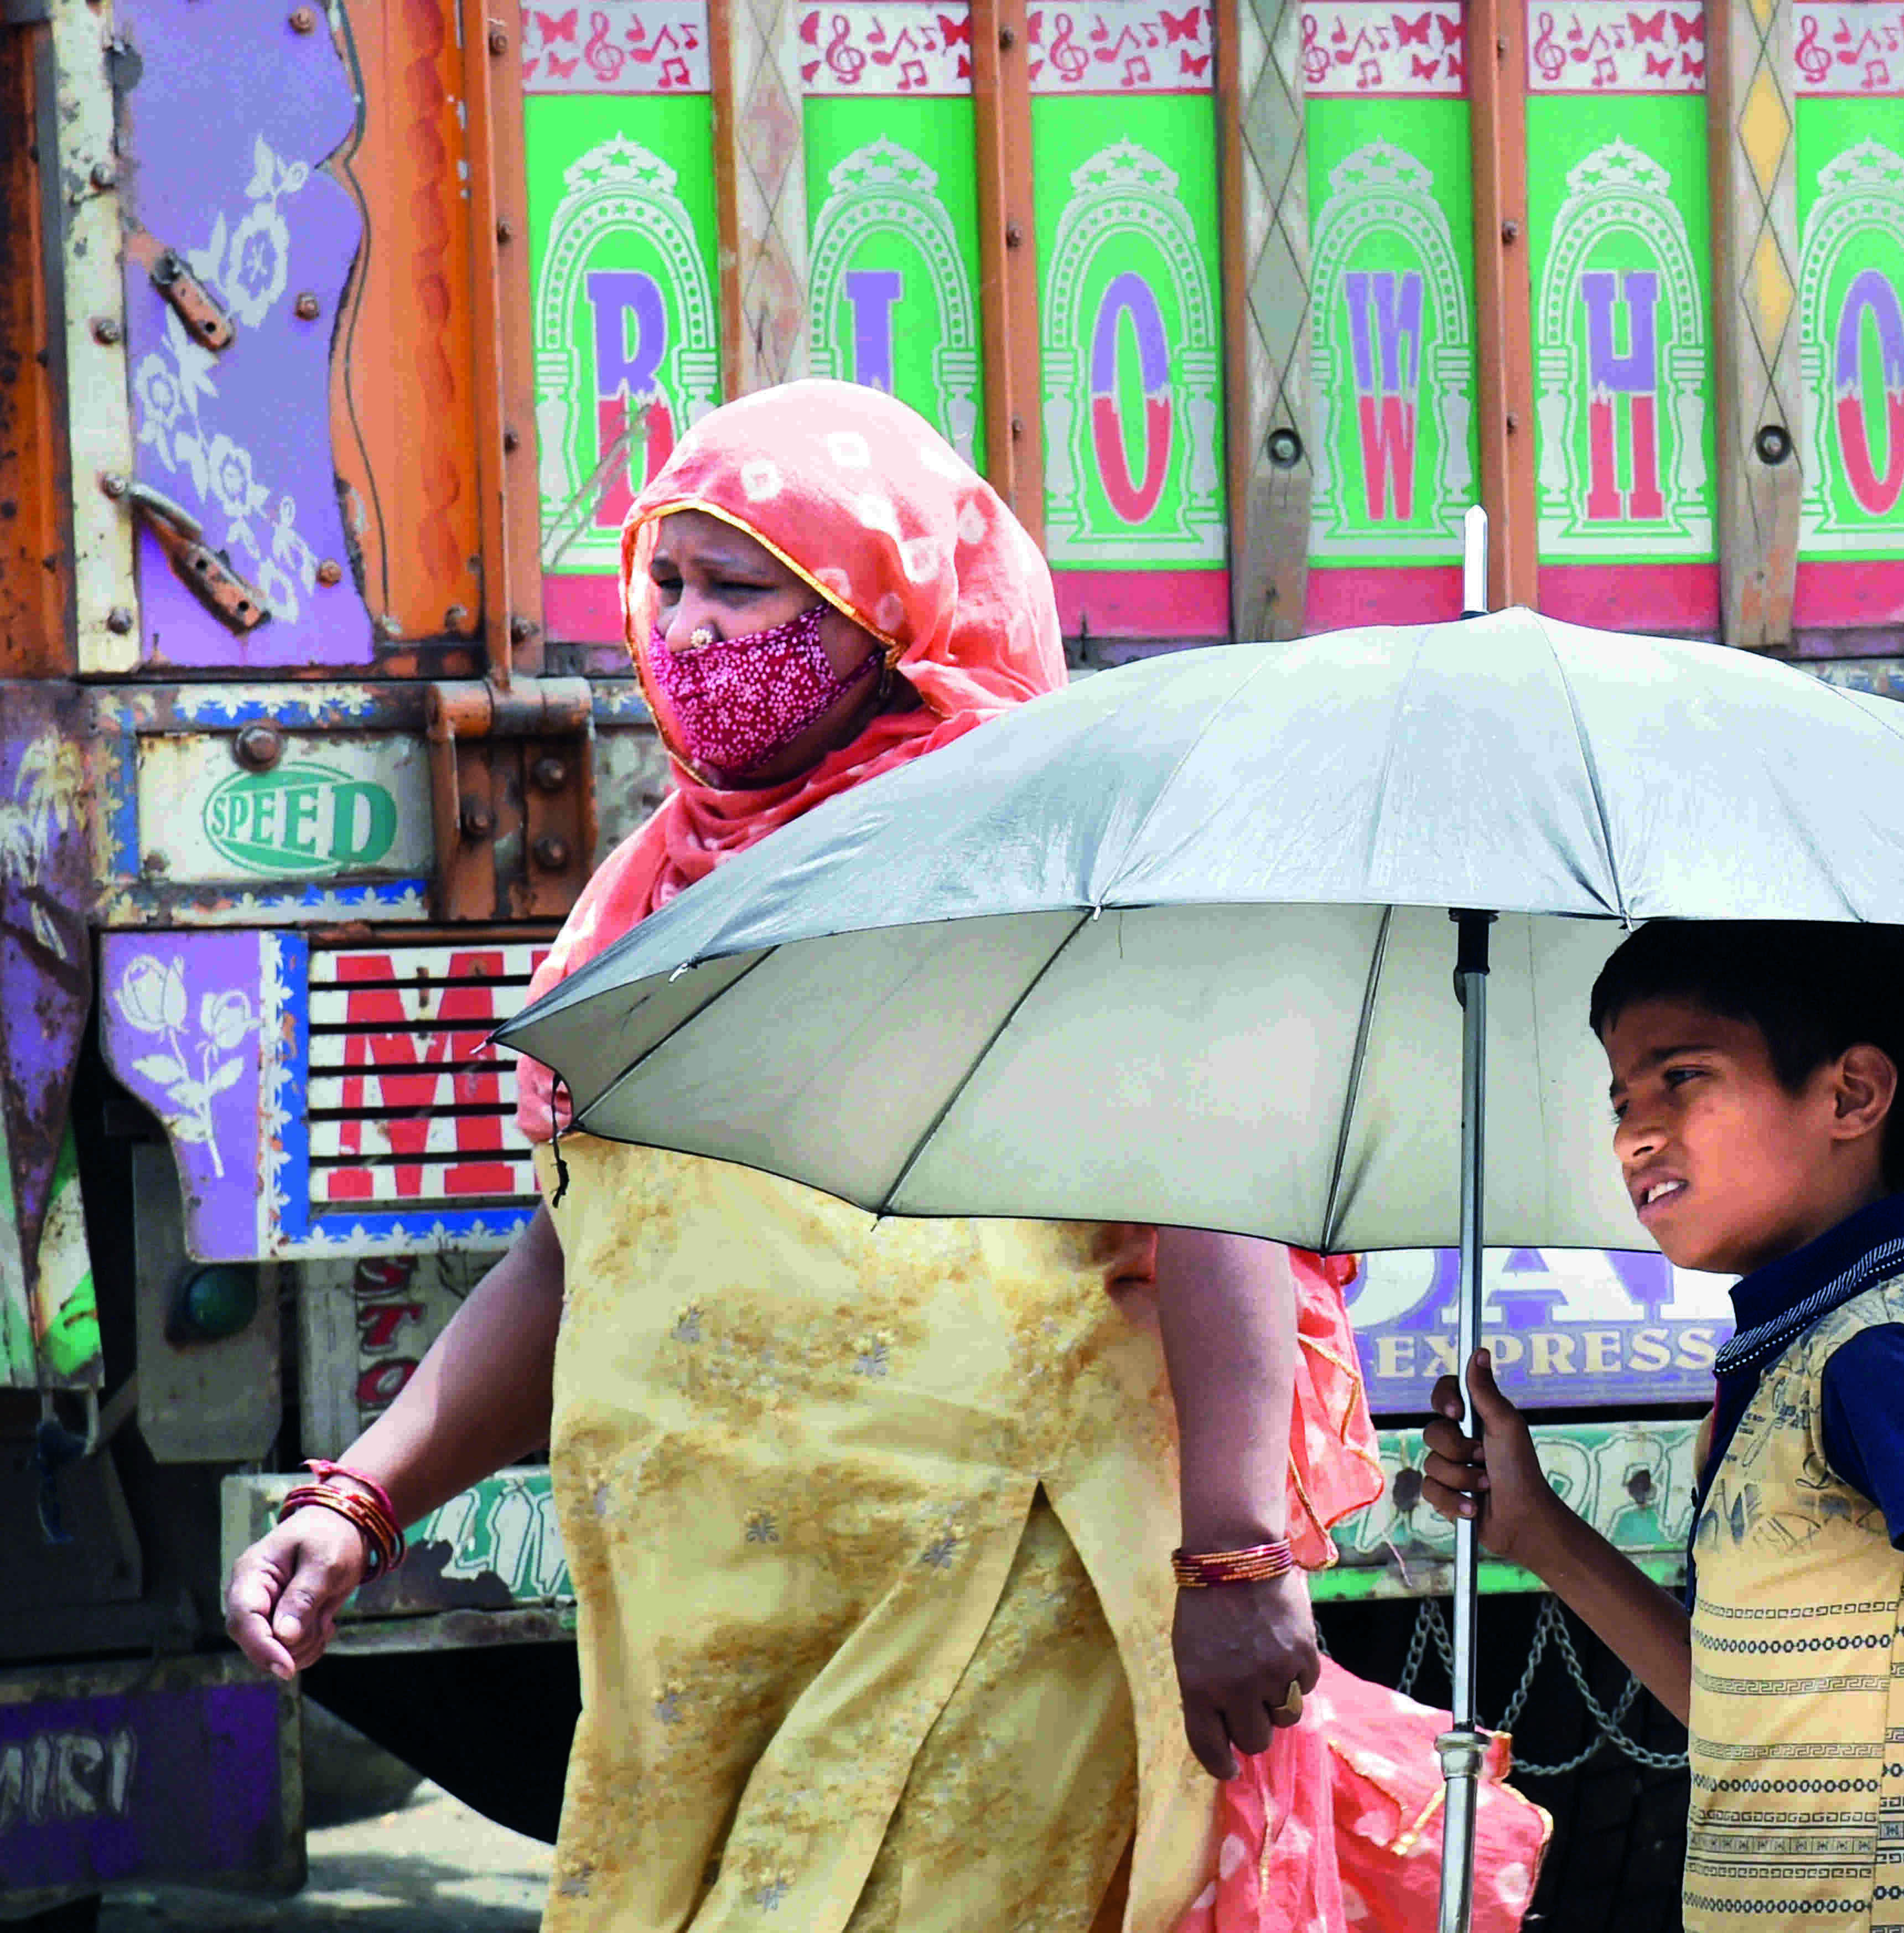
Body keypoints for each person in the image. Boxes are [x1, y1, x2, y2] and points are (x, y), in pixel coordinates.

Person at [221, 381, 1399, 1932]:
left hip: (1001, 1617)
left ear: (879, 609)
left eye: (749, 588)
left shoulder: (1038, 859)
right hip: (719, 1660)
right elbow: (592, 1248)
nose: (695, 630)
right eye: (670, 583)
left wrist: (1240, 1560)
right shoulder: (656, 891)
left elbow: (1213, 1185)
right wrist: (361, 1498)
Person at [1419, 919, 1904, 1932]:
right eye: (1621, 1096)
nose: (1636, 1131)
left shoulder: (1877, 1357)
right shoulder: (1796, 1356)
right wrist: (1535, 1530)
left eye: (1682, 1077)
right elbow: (1736, 1716)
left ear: (1851, 1094)